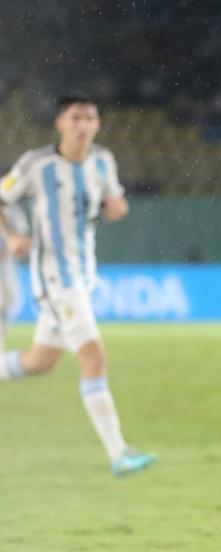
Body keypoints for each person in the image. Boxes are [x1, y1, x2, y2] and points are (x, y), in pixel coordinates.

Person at [0, 95, 157, 477]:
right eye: (75, 117)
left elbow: (113, 203)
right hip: (55, 279)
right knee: (93, 357)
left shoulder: (103, 161)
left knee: (40, 362)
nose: (82, 124)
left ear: (98, 124)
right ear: (60, 123)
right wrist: (13, 236)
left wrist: (115, 206)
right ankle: (118, 453)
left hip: (83, 275)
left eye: (90, 117)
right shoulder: (36, 165)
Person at [0, 203, 30, 353]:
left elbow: (20, 239)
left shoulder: (12, 207)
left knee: (9, 304)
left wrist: (16, 245)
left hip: (7, 265)